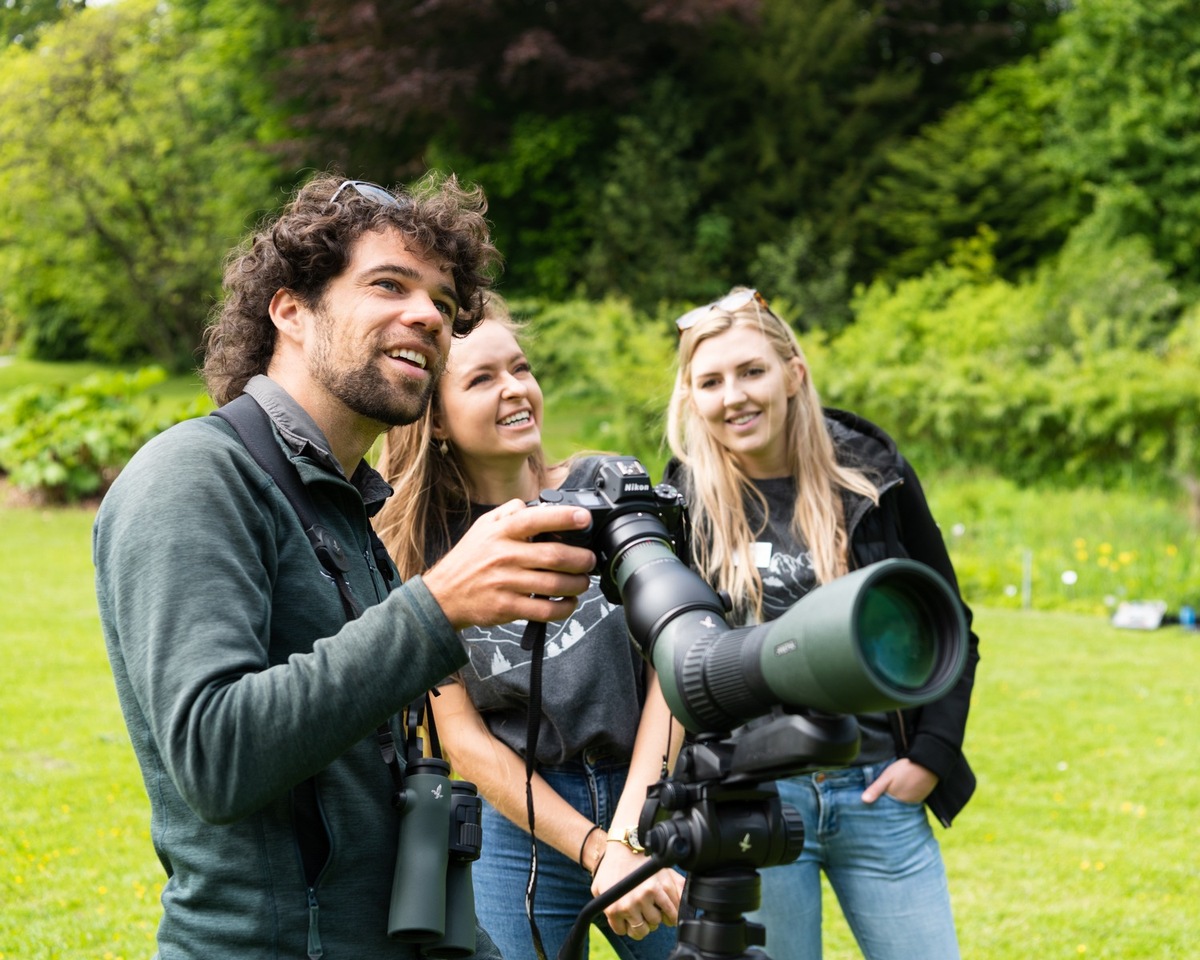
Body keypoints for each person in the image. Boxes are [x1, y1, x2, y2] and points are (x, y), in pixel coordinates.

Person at [92, 173, 600, 960]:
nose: (428, 316)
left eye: (441, 300)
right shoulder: (193, 476)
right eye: (389, 285)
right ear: (291, 310)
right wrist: (436, 606)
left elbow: (379, 801)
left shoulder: (348, 511)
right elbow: (214, 755)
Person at [663, 287, 980, 960]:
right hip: (755, 797)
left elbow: (948, 623)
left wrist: (931, 756)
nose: (735, 396)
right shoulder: (685, 499)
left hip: (876, 791)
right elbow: (671, 658)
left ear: (793, 374)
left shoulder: (871, 475)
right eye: (711, 381)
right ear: (692, 397)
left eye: (752, 371)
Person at [373, 299, 686, 960]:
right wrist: (593, 846)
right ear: (434, 420)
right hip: (516, 816)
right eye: (482, 379)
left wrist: (629, 835)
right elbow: (461, 738)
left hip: (650, 785)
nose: (515, 389)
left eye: (521, 369)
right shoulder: (419, 552)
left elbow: (675, 666)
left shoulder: (608, 489)